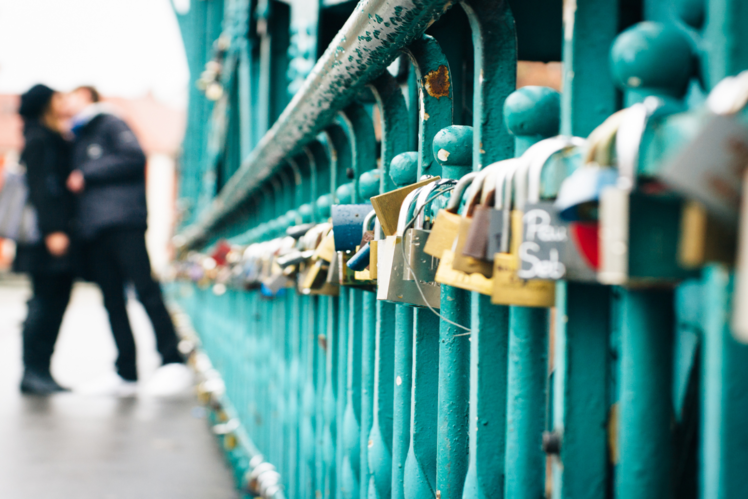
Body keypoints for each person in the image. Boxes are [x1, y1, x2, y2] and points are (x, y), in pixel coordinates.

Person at [65, 86, 190, 396]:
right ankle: (126, 371)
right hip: (96, 228)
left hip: (123, 223)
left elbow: (134, 156)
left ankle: (172, 360)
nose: (67, 104)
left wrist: (87, 173)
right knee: (112, 300)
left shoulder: (109, 122)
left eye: (74, 97)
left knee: (145, 288)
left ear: (89, 97)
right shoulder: (78, 135)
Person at [14, 84, 76, 395]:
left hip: (55, 234)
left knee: (54, 301)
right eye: (58, 98)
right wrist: (54, 230)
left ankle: (42, 370)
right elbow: (41, 187)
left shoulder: (52, 135)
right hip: (45, 238)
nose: (63, 103)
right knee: (44, 301)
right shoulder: (38, 138)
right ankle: (32, 371)